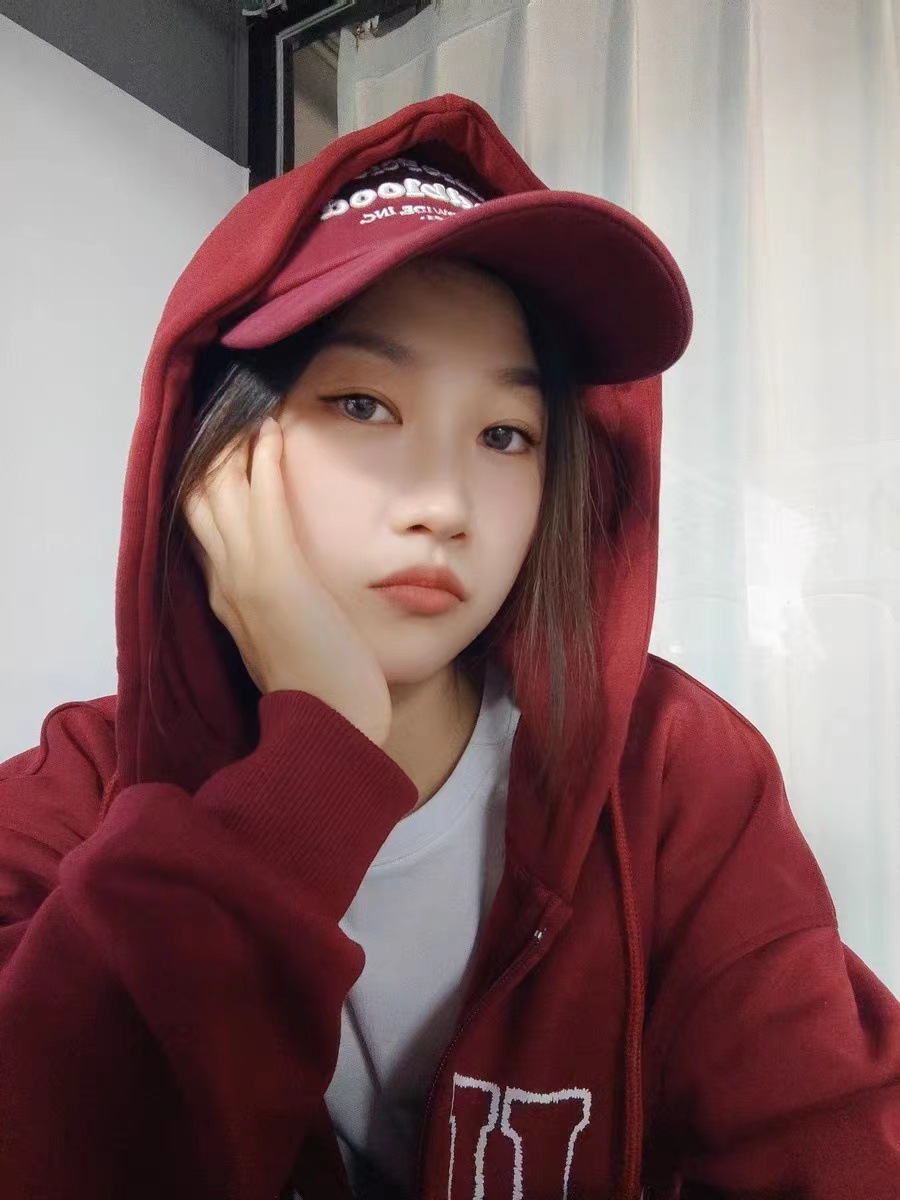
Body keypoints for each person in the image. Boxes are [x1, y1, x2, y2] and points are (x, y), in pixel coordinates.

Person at [0, 92, 897, 1200]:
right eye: (364, 405)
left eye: (505, 434)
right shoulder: (78, 793)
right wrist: (308, 770)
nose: (443, 504)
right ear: (221, 458)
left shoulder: (673, 776)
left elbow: (837, 1135)